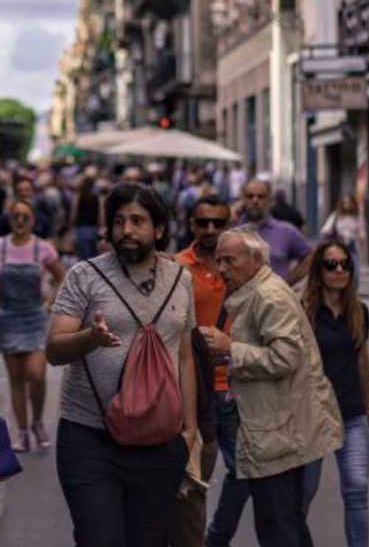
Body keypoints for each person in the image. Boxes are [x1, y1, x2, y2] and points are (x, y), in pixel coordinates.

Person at [47, 182, 198, 547]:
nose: (126, 230)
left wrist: (190, 432)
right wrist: (90, 338)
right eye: (118, 221)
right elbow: (53, 350)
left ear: (159, 229)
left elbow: (185, 356)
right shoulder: (84, 276)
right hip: (90, 438)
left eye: (137, 221)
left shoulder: (181, 279)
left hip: (158, 442)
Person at [198, 227, 341, 547]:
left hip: (278, 431)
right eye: (218, 261)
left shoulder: (269, 295)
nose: (221, 269)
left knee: (277, 525)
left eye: (229, 261)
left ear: (255, 259)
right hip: (275, 427)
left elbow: (285, 356)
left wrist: (229, 348)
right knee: (286, 523)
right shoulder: (257, 291)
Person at [301, 239, 369, 547]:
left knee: (357, 488)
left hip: (352, 412)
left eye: (345, 264)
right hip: (314, 415)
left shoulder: (359, 311)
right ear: (319, 271)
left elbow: (363, 359)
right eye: (331, 264)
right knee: (303, 494)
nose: (340, 270)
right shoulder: (305, 311)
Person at [171, 194, 232, 547]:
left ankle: (217, 535)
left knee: (247, 474)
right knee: (196, 480)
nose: (210, 230)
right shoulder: (178, 268)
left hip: (241, 385)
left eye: (218, 223)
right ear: (191, 225)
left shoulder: (241, 265)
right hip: (199, 390)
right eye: (203, 223)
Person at [0, 199, 67, 451]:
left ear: (33, 220)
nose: (20, 221)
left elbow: (62, 278)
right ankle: (21, 431)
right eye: (16, 216)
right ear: (9, 220)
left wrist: (49, 303)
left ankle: (38, 421)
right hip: (8, 317)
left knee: (37, 374)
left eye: (25, 217)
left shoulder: (43, 249)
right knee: (16, 379)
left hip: (34, 317)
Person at [238, 179, 311, 289]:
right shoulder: (232, 232)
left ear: (270, 200)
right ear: (243, 199)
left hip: (275, 303)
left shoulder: (286, 231)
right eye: (250, 196)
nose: (255, 200)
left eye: (261, 196)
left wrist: (286, 282)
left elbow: (310, 258)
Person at [72, 175, 103, 265]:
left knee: (83, 256)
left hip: (81, 228)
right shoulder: (97, 197)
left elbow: (74, 213)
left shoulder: (78, 196)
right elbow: (100, 215)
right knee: (94, 255)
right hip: (93, 228)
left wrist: (71, 225)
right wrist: (100, 227)